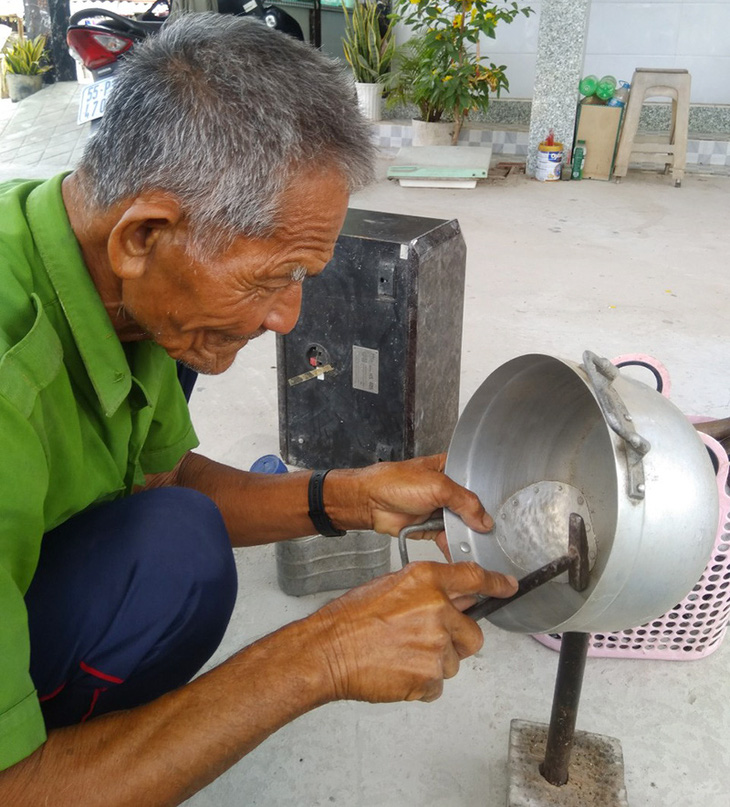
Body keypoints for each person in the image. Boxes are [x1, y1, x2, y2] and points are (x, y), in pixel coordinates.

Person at [0, 14, 517, 805]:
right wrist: (324, 654)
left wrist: (350, 494)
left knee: (178, 542)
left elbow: (163, 481)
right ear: (143, 233)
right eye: (273, 277)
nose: (287, 318)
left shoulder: (114, 276)